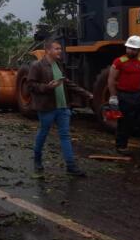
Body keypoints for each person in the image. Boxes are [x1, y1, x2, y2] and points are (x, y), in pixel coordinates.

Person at [27, 39, 93, 176]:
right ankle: (37, 160)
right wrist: (47, 87)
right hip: (47, 108)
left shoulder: (59, 65)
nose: (60, 51)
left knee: (65, 135)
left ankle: (71, 166)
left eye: (60, 49)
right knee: (43, 133)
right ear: (48, 50)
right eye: (57, 49)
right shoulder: (37, 66)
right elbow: (31, 85)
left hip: (63, 108)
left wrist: (86, 94)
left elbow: (67, 83)